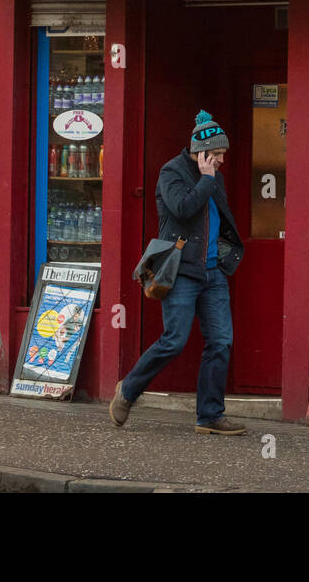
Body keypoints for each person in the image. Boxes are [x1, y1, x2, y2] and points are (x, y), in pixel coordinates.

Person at [109, 110, 246, 435]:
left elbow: (221, 216)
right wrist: (206, 178)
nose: (222, 162)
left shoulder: (215, 177)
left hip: (213, 273)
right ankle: (127, 390)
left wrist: (230, 249)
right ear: (204, 153)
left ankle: (209, 416)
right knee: (174, 341)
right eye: (219, 155)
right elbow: (183, 208)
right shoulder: (171, 172)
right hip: (181, 271)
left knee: (221, 342)